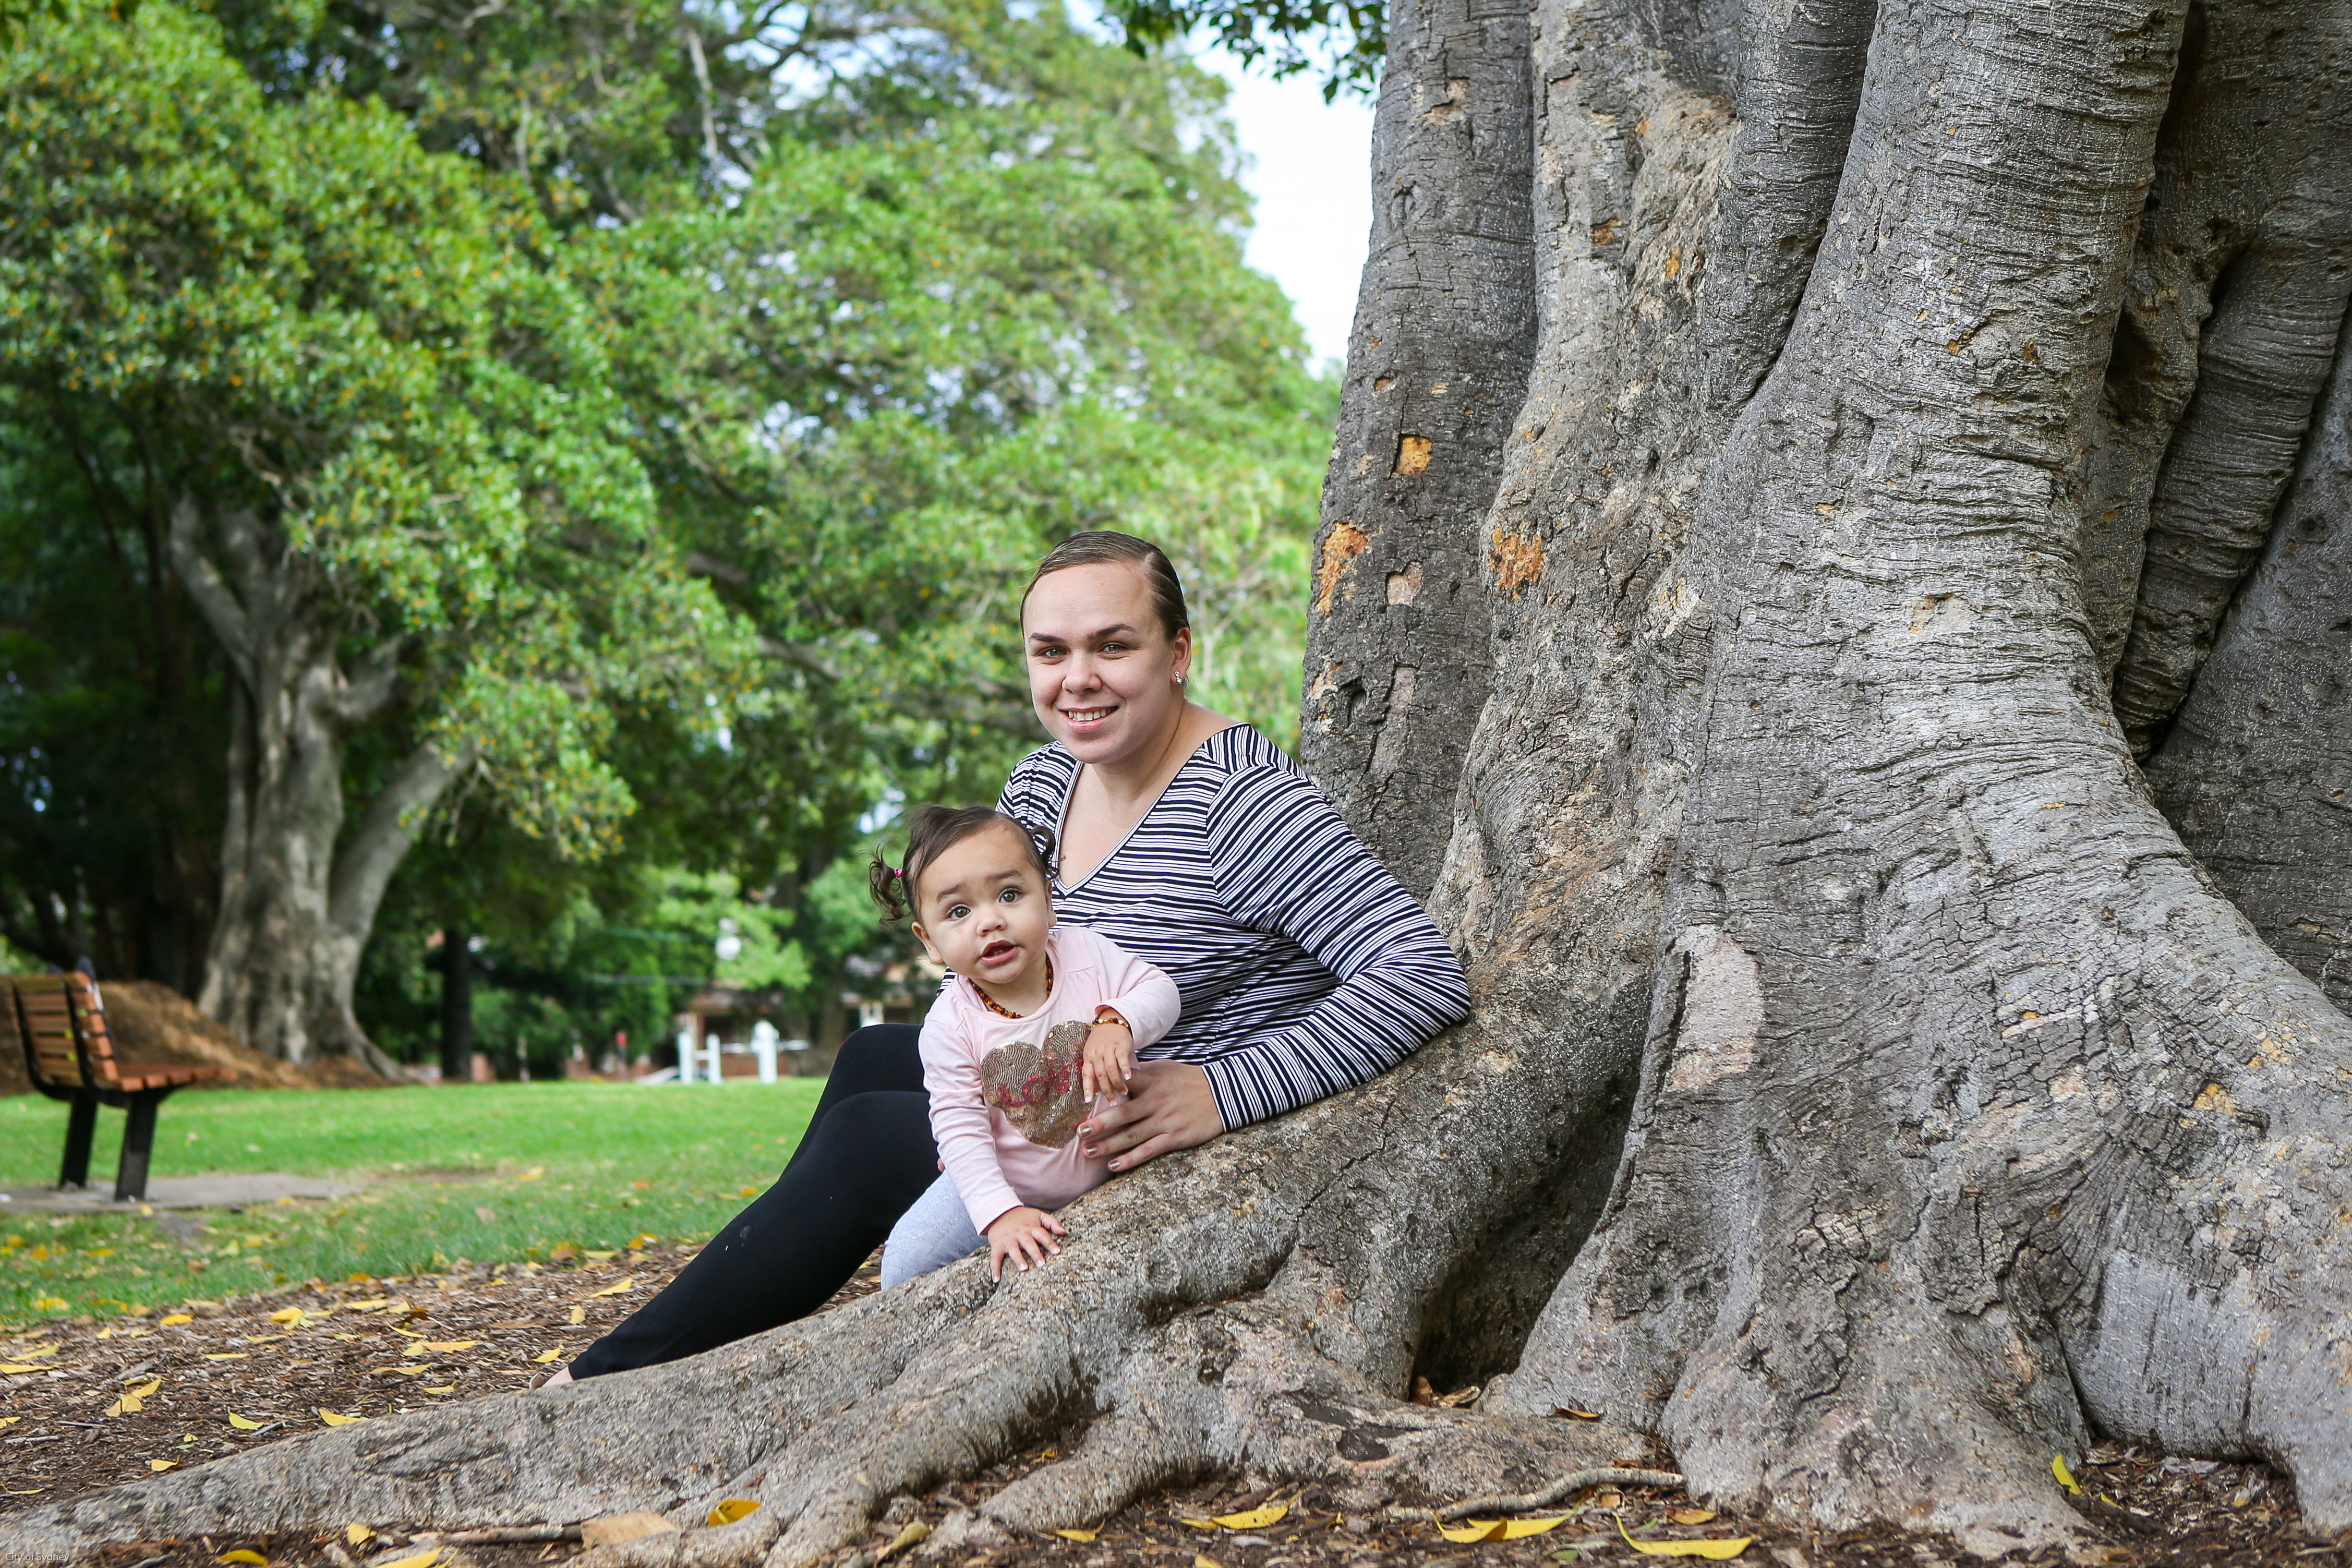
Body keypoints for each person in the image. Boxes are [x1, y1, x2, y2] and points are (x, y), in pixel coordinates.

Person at [549, 530, 1469, 1383]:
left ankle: (609, 1377)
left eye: (1113, 646)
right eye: (1049, 652)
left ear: (1178, 652)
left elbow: (1417, 973)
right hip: (1052, 1091)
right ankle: (765, 1322)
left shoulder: (1239, 802)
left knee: (873, 1140)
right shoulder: (1044, 779)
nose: (1078, 679)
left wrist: (1221, 1093)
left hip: (1141, 1134)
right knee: (876, 1052)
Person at [869, 804, 1181, 1286]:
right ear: (929, 942)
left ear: (1049, 901)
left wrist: (1119, 1022)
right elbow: (959, 1132)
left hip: (1113, 1164)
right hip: (1006, 1180)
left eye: (1010, 895)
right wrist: (999, 1214)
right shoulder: (949, 1027)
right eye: (958, 911)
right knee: (905, 1262)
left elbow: (1160, 990)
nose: (989, 921)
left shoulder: (1086, 955)